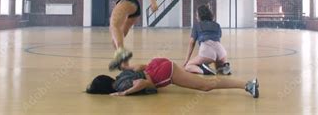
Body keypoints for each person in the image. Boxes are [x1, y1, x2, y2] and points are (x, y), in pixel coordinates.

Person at [85, 58, 259, 98]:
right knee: (200, 82)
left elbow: (143, 82)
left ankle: (247, 84)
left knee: (205, 86)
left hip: (163, 72)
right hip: (156, 64)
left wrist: (126, 93)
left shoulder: (120, 86)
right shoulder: (120, 76)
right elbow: (140, 67)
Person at [183, 4, 231, 75]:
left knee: (188, 66)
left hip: (207, 51)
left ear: (199, 15)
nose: (196, 16)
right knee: (218, 69)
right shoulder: (217, 25)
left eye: (197, 14)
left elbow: (191, 43)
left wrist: (187, 60)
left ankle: (204, 70)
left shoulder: (197, 25)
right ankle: (223, 67)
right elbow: (218, 39)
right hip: (221, 52)